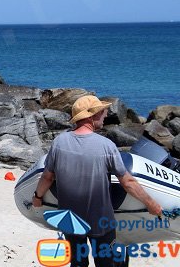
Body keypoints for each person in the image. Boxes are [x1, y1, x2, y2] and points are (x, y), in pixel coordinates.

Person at [33, 95, 162, 267]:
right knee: (105, 262)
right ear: (90, 116)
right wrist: (151, 204)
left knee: (78, 263)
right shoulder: (106, 146)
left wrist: (38, 197)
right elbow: (128, 182)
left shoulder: (59, 142)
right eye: (102, 112)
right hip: (100, 222)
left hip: (69, 220)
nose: (106, 115)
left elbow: (48, 177)